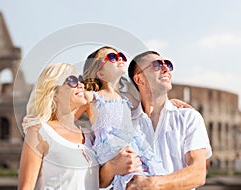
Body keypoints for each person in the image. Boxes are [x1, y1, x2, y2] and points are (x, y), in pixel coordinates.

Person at [100, 50, 212, 190]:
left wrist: (153, 184)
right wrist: (111, 168)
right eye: (157, 65)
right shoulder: (122, 123)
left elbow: (198, 173)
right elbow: (99, 180)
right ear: (139, 79)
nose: (166, 68)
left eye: (168, 65)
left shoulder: (189, 118)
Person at [83, 46, 169, 189]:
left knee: (150, 175)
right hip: (111, 147)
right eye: (112, 57)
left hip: (134, 143)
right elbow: (68, 109)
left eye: (121, 56)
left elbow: (153, 102)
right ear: (99, 73)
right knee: (130, 180)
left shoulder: (128, 97)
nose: (119, 59)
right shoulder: (92, 97)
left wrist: (175, 103)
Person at [18, 63, 99, 190]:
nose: (81, 85)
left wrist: (91, 105)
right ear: (54, 94)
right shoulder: (39, 133)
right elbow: (25, 187)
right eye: (72, 80)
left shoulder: (91, 135)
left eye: (80, 80)